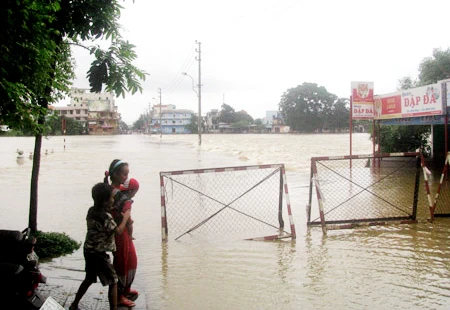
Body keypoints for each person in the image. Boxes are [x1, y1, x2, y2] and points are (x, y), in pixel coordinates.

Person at [69, 183, 131, 310]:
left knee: (89, 278)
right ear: (104, 201)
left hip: (88, 250)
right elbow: (118, 231)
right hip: (99, 254)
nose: (113, 200)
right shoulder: (106, 217)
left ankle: (74, 304)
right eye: (112, 198)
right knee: (113, 281)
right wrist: (125, 218)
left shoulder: (92, 211)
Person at [104, 159, 138, 307]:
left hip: (124, 231)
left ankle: (125, 290)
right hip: (118, 232)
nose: (126, 178)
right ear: (115, 174)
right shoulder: (114, 193)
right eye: (124, 174)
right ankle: (119, 296)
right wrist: (128, 220)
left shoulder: (116, 191)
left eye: (127, 174)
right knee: (122, 263)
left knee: (131, 260)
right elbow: (122, 213)